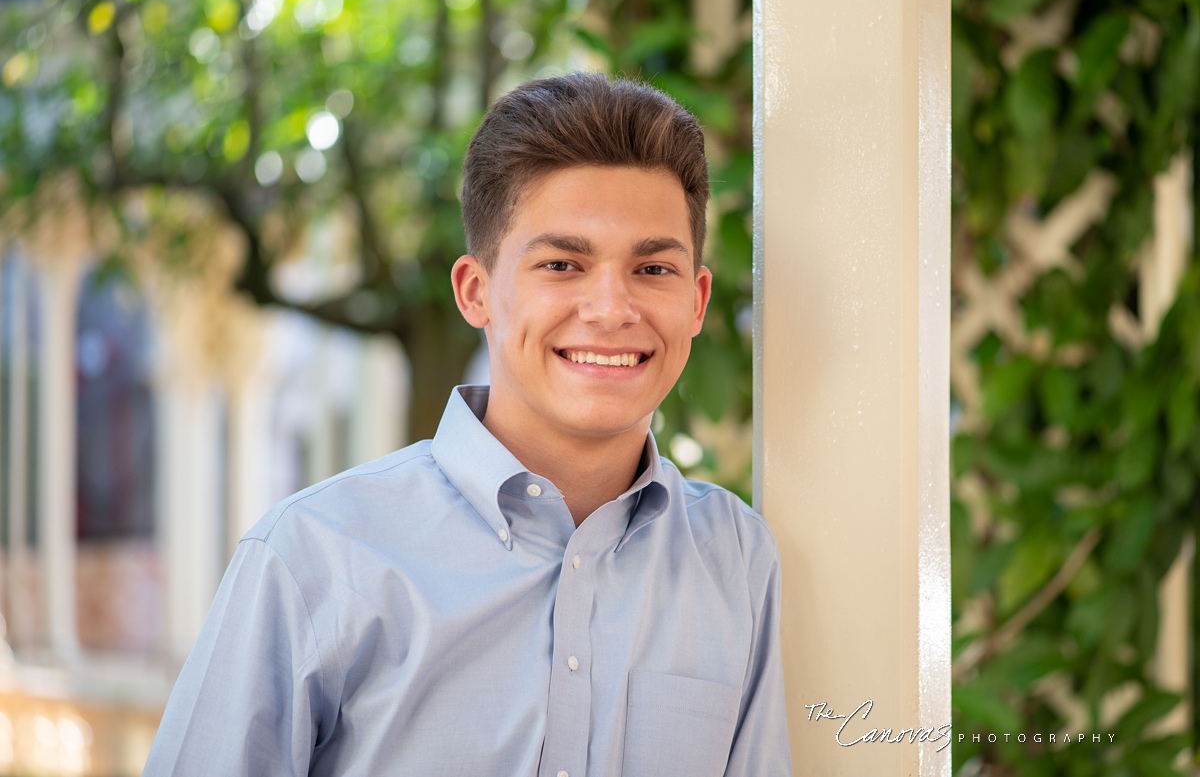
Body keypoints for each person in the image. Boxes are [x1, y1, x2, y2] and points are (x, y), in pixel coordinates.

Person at [143, 72, 791, 777]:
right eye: (562, 263)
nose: (611, 308)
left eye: (653, 268)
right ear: (476, 291)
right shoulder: (312, 557)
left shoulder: (736, 559)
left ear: (696, 302)